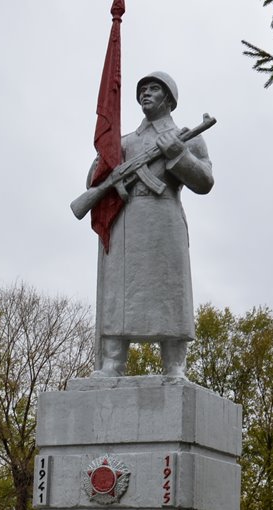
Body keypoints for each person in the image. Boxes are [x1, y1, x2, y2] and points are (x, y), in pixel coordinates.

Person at [87, 71, 214, 379]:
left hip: (164, 217)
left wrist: (177, 153)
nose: (145, 93)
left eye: (154, 89)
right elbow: (93, 182)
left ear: (168, 98)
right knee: (119, 292)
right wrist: (107, 169)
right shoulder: (124, 142)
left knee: (171, 291)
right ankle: (113, 362)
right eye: (142, 89)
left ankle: (174, 365)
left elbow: (205, 181)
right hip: (126, 220)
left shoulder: (187, 136)